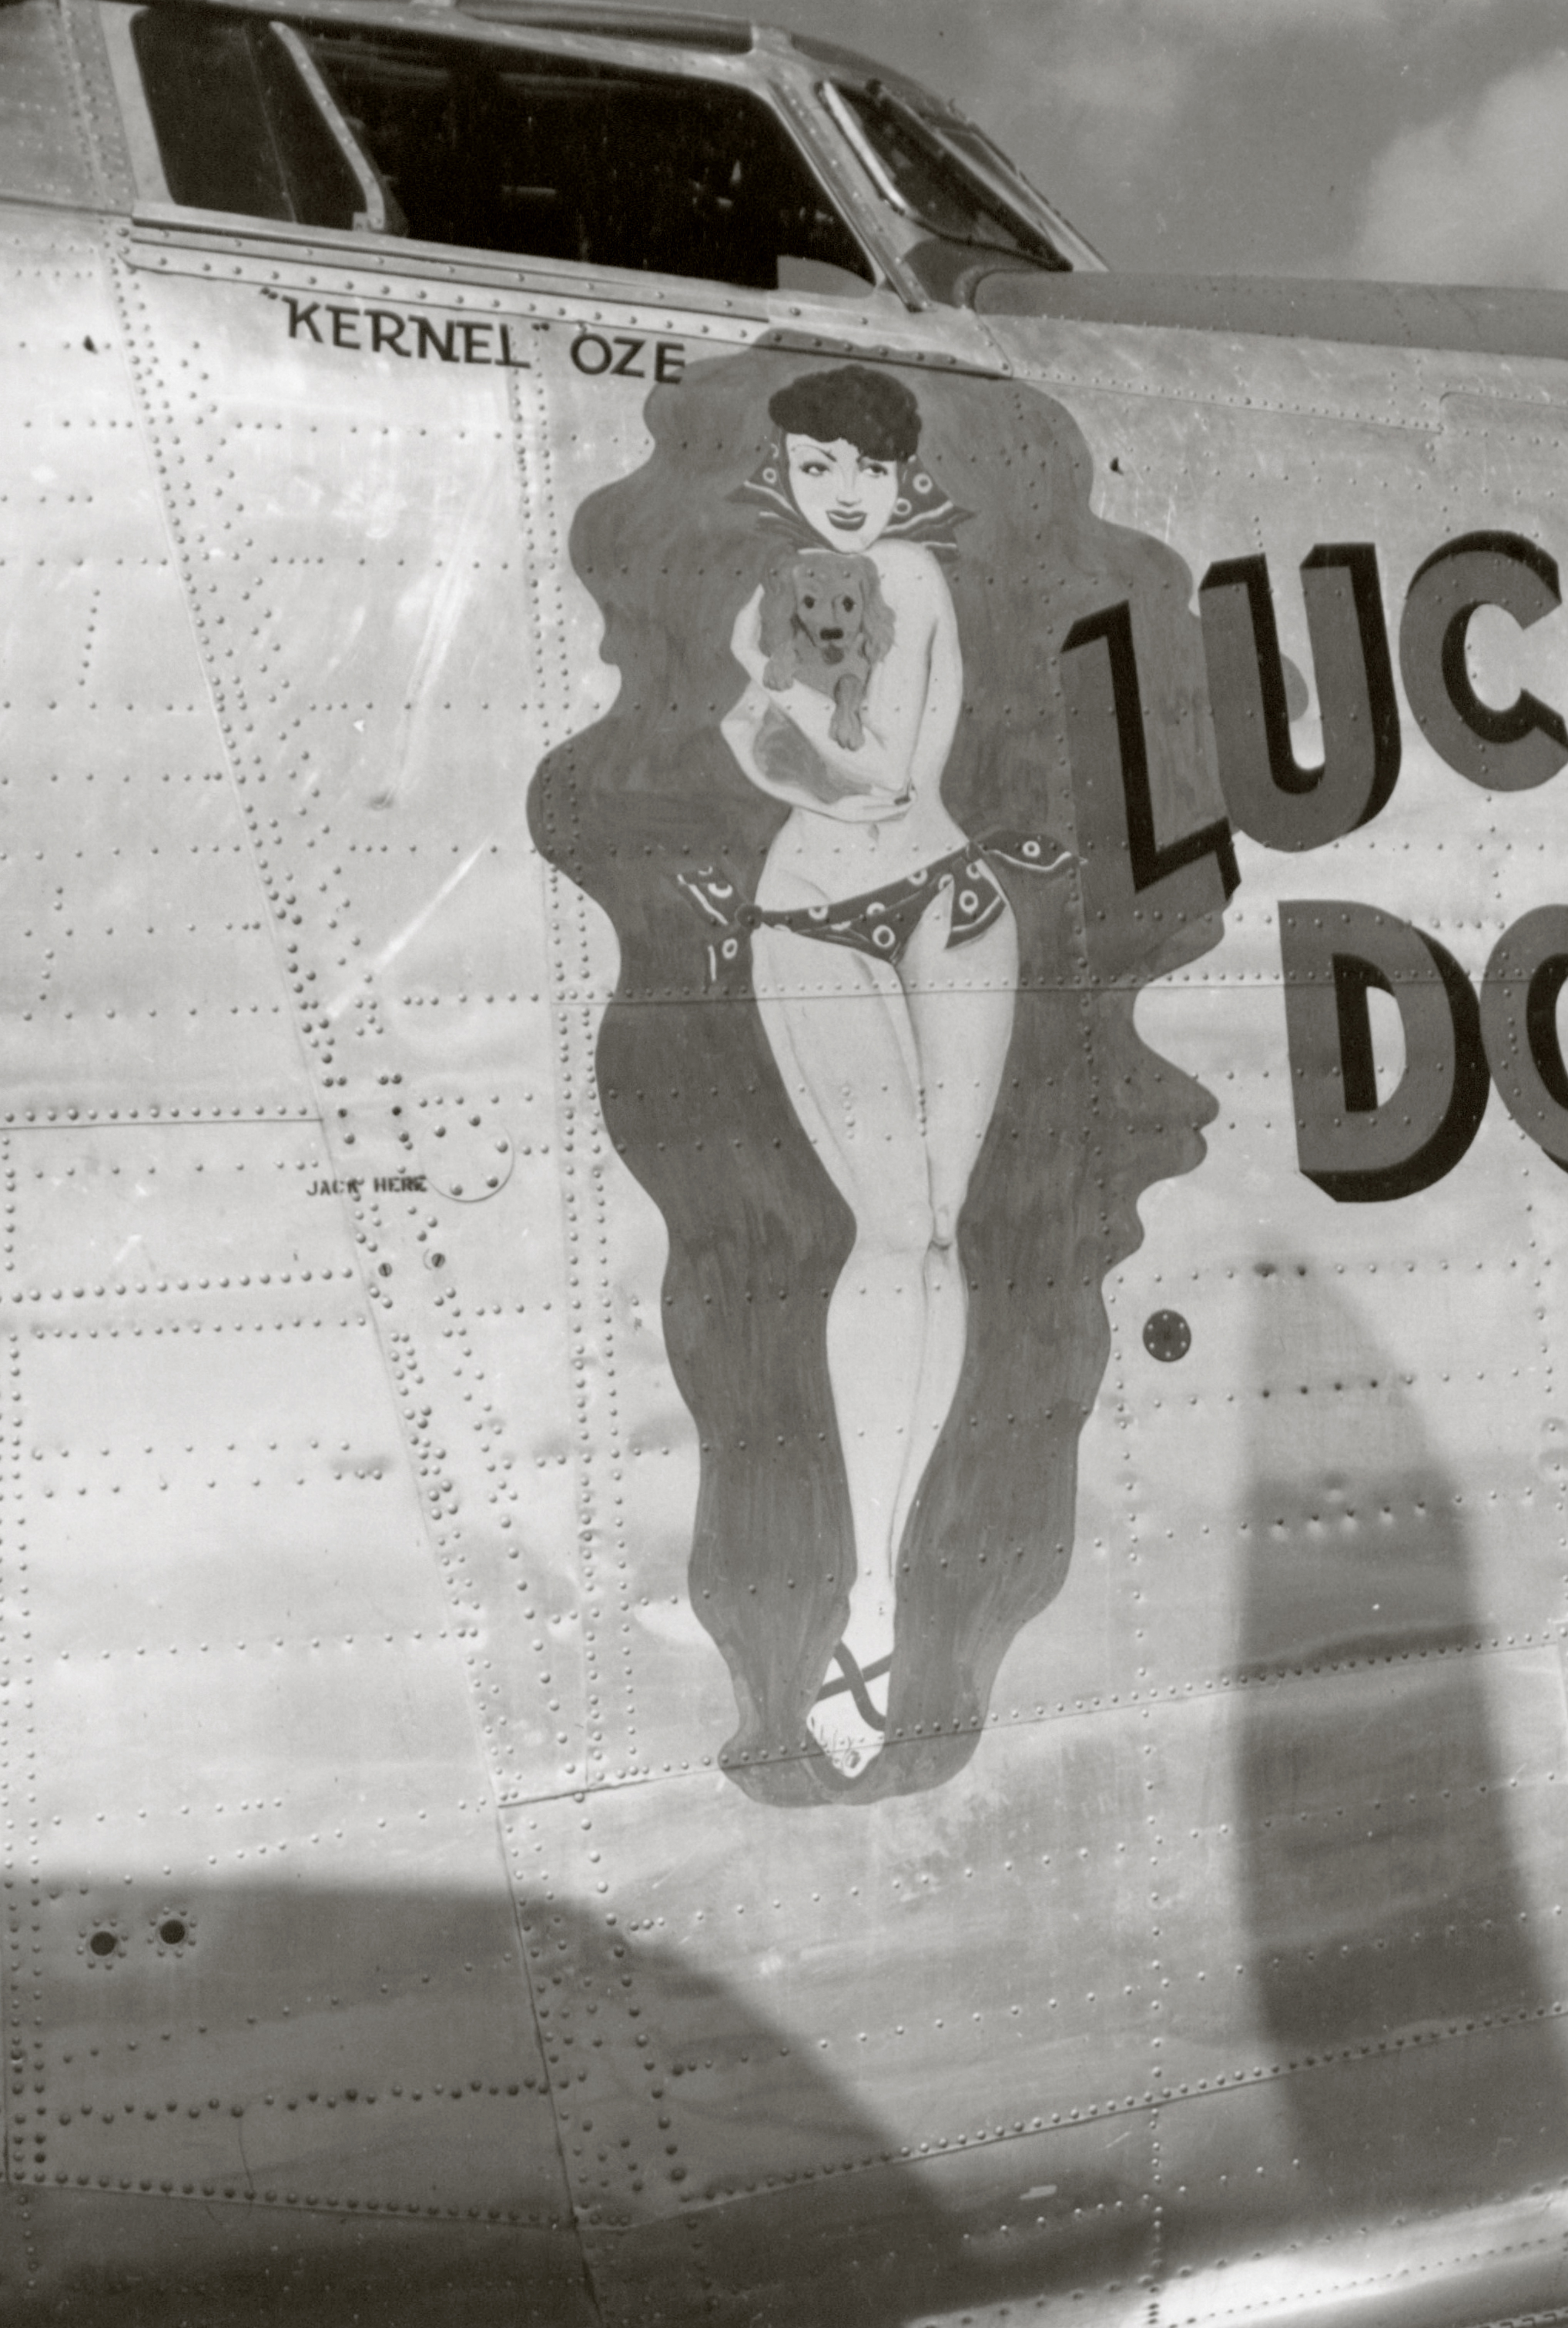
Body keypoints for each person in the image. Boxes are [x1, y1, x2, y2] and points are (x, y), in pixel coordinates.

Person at [684, 366, 1059, 1777]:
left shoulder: (904, 572)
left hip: (951, 902)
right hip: (816, 919)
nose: (846, 486)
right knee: (891, 1230)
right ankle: (862, 1609)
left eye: (869, 465)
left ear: (906, 482)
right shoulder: (765, 603)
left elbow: (877, 757)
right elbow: (778, 748)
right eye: (818, 462)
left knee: (941, 1234)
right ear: (787, 474)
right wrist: (798, 756)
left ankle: (896, 1588)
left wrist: (800, 752)